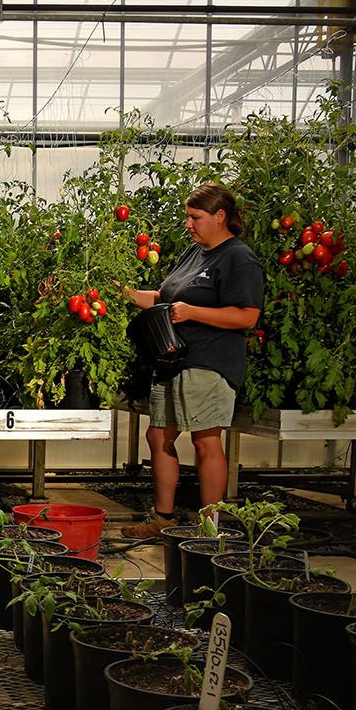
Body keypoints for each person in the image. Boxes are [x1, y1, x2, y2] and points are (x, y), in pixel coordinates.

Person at [119, 183, 264, 538]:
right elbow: (165, 296)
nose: (189, 224)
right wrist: (122, 292)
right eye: (188, 217)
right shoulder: (194, 252)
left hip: (208, 364)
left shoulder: (239, 258)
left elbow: (247, 317)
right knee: (158, 436)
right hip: (171, 359)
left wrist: (194, 313)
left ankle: (208, 528)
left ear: (220, 217)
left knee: (205, 441)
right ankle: (163, 518)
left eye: (195, 217)